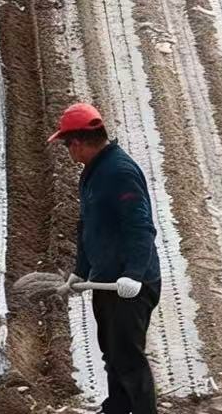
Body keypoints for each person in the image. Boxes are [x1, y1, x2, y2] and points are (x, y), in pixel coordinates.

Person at [51, 102, 160, 414]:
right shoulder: (92, 173)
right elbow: (87, 225)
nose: (68, 153)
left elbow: (141, 227)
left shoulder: (120, 173)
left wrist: (135, 274)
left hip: (129, 286)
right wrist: (81, 271)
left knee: (129, 358)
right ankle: (116, 408)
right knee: (112, 353)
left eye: (67, 145)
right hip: (105, 281)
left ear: (79, 142)